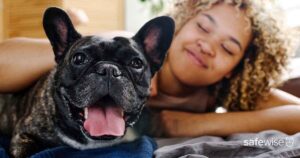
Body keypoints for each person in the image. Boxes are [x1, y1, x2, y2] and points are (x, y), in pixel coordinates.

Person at [1, 0, 300, 139]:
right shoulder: (125, 48)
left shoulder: (217, 95)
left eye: (228, 48)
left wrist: (193, 125)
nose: (207, 45)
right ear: (180, 25)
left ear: (234, 70)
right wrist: (96, 52)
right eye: (203, 27)